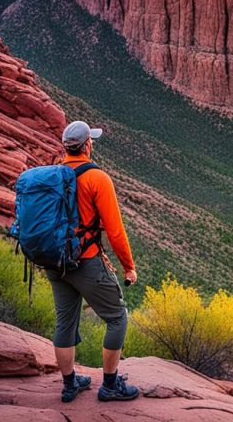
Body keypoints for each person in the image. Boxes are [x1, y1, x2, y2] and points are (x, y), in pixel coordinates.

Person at [47, 120, 140, 403]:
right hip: (85, 261)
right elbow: (115, 231)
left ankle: (69, 384)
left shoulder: (53, 174)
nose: (93, 144)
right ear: (87, 145)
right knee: (117, 318)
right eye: (92, 140)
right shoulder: (97, 178)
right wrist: (128, 266)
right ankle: (110, 385)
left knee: (65, 321)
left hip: (54, 261)